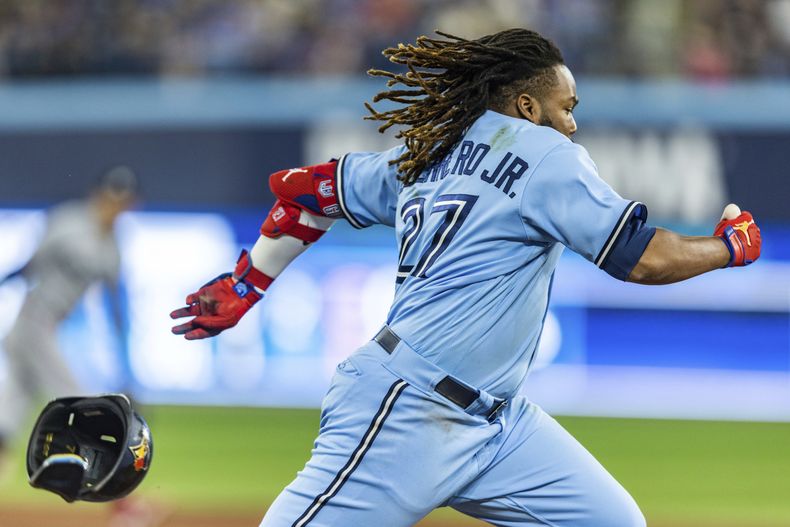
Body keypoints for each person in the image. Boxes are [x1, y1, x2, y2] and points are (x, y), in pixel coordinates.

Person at [171, 29, 761, 527]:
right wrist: (729, 246)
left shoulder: (431, 150)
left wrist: (248, 283)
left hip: (499, 425)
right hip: (407, 408)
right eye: (568, 106)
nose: (573, 125)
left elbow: (303, 193)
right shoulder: (546, 153)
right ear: (529, 108)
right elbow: (643, 259)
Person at [0, 166, 160, 527]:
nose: (114, 204)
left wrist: (126, 365)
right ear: (98, 194)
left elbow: (114, 304)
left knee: (6, 417)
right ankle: (123, 508)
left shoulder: (113, 244)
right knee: (85, 408)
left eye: (122, 199)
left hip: (43, 329)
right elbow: (28, 265)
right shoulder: (68, 222)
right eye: (110, 196)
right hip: (32, 325)